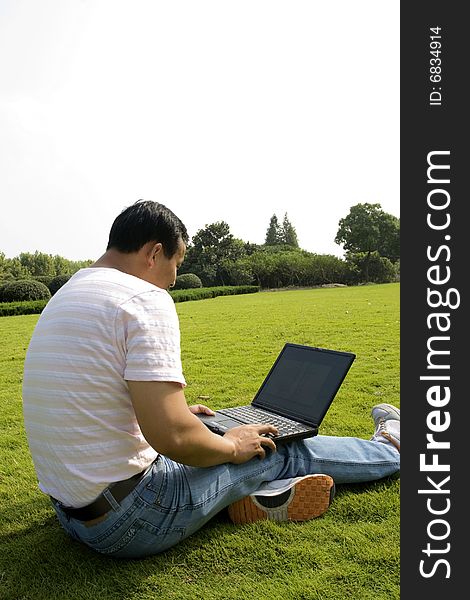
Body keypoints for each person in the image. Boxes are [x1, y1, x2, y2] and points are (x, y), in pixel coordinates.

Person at [22, 200, 400, 559]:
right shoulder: (141, 298)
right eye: (176, 264)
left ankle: (264, 496)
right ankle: (392, 448)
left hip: (74, 514)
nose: (172, 281)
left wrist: (181, 414)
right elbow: (174, 437)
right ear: (154, 254)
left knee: (216, 435)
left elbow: (89, 395)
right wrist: (233, 447)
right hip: (132, 521)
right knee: (278, 447)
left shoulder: (66, 294)